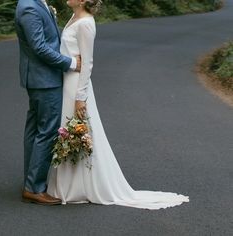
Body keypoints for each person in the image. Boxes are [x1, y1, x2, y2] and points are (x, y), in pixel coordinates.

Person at [47, 0, 190, 210]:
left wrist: (80, 96)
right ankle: (66, 184)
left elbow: (87, 63)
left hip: (76, 85)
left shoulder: (86, 23)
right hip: (65, 82)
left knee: (76, 130)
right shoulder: (73, 17)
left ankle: (81, 186)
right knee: (67, 130)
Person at [15, 0, 82, 205]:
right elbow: (40, 47)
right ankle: (34, 188)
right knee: (47, 130)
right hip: (44, 79)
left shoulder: (38, 3)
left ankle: (30, 181)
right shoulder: (29, 7)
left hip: (40, 78)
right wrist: (70, 63)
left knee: (35, 129)